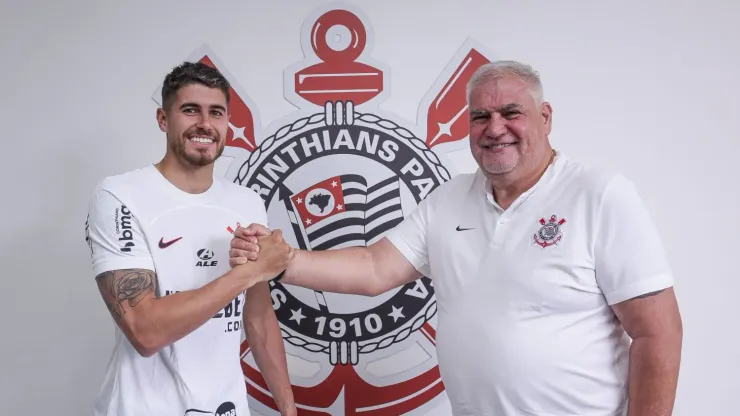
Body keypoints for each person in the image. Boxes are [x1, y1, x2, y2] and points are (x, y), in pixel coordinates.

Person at [229, 60, 683, 415]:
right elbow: (374, 268)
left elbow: (658, 333)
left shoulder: (600, 195)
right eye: (480, 116)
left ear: (545, 117)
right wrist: (283, 259)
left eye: (511, 113)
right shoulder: (447, 200)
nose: (495, 128)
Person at [84, 62, 296, 416]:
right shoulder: (119, 195)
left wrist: (288, 408)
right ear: (163, 119)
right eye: (190, 110)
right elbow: (145, 331)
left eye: (216, 112)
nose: (205, 124)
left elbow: (258, 317)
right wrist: (248, 272)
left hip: (225, 407)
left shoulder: (246, 202)